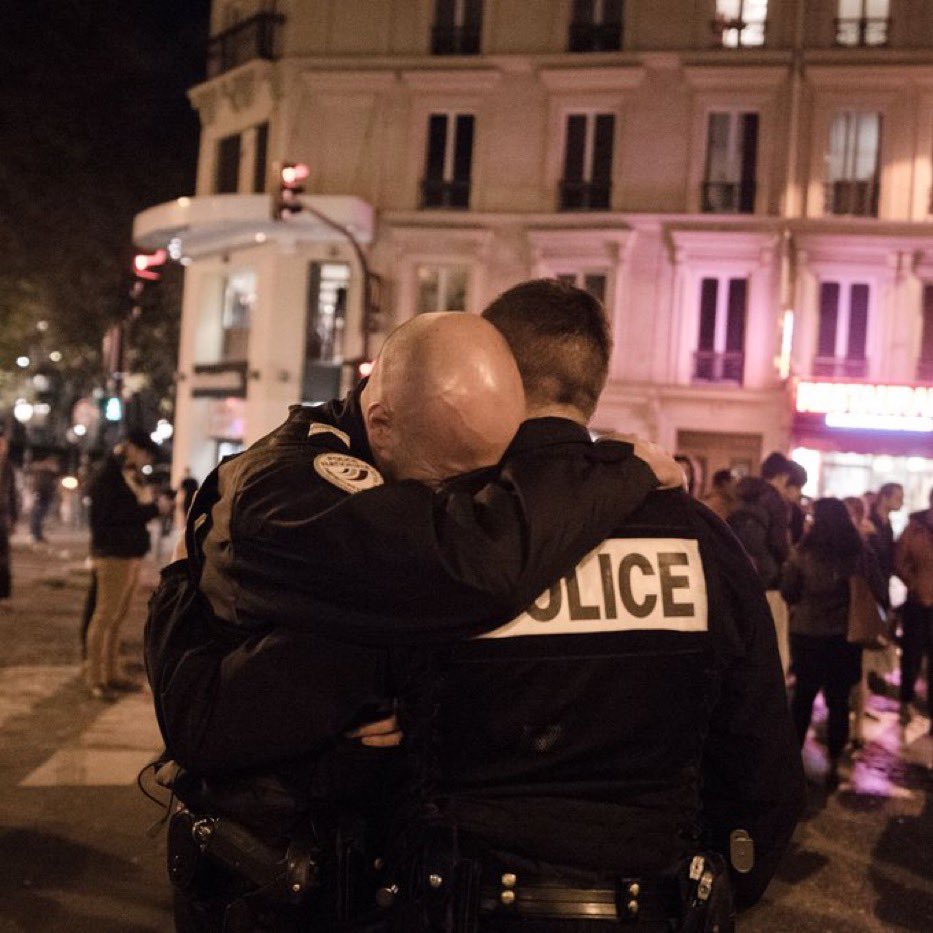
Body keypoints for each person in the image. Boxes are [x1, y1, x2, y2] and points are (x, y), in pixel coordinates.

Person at [152, 283, 802, 930]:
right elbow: (758, 754)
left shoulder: (446, 540)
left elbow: (355, 717)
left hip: (454, 891)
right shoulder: (694, 535)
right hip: (649, 895)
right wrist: (725, 880)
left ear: (498, 377)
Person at [780, 498, 887, 790]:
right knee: (838, 701)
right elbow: (878, 588)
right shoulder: (858, 553)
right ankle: (835, 763)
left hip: (807, 634)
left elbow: (789, 591)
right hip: (844, 637)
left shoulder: (802, 553)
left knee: (802, 698)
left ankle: (789, 764)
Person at [86, 431, 169, 700]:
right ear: (131, 448)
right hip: (113, 552)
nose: (145, 459)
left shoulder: (127, 474)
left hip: (128, 551)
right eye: (143, 453)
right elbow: (117, 514)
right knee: (105, 615)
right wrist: (154, 510)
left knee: (117, 616)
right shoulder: (108, 475)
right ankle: (96, 678)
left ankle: (112, 673)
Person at [727, 452, 799, 675]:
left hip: (741, 579)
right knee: (774, 651)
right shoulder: (774, 500)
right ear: (784, 476)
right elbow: (779, 546)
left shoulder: (742, 497)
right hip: (769, 583)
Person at [895, 487, 933, 728]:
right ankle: (906, 700)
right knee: (912, 655)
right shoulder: (914, 529)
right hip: (918, 603)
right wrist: (915, 584)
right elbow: (899, 560)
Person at [868, 482, 904, 586]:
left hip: (883, 577)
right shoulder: (870, 521)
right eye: (898, 498)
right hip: (872, 580)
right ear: (884, 498)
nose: (902, 502)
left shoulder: (887, 522)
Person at [0, 428, 18, 603]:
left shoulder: (8, 467)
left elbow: (12, 494)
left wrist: (14, 518)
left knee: (4, 556)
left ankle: (3, 592)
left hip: (2, 515)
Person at [28, 451, 60, 543]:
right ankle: (36, 534)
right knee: (38, 515)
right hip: (43, 495)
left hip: (44, 494)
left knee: (38, 515)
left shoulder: (44, 471)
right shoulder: (45, 471)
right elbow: (44, 484)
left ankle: (36, 534)